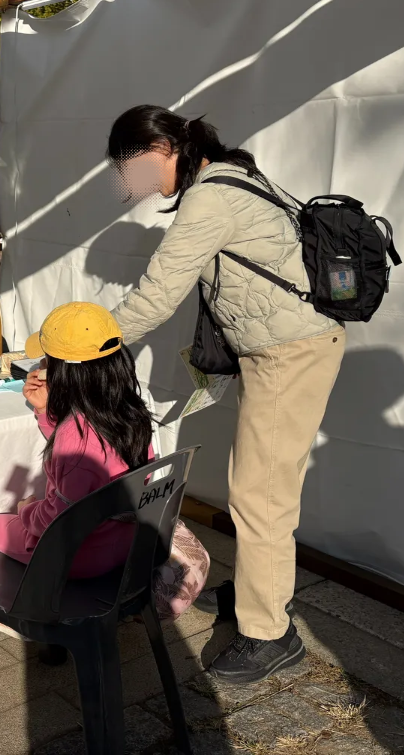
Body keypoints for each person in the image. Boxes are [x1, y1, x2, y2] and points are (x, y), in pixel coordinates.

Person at [105, 105, 345, 684]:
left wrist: (77, 342)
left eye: (130, 166)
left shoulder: (211, 196)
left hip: (288, 353)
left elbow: (156, 296)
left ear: (163, 147)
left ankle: (269, 634)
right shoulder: (237, 175)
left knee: (261, 494)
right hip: (283, 349)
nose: (130, 181)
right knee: (261, 482)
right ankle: (260, 592)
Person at [0, 302, 209, 638]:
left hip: (81, 557)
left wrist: (27, 512)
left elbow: (56, 518)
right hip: (127, 544)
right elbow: (92, 460)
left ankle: (25, 612)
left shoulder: (74, 437)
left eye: (46, 361)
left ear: (63, 372)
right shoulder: (130, 411)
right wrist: (47, 414)